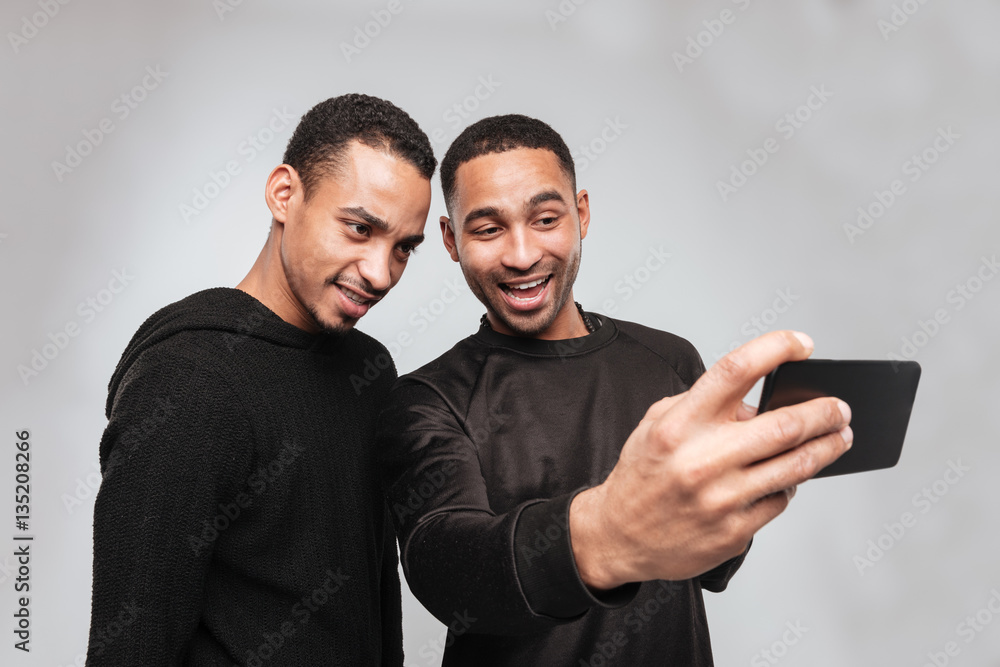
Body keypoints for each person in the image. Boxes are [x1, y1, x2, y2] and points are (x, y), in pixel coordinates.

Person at [377, 115, 853, 665]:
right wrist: (609, 532)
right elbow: (450, 571)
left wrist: (745, 487)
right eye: (487, 229)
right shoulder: (428, 398)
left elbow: (715, 566)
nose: (522, 254)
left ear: (581, 214)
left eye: (546, 219)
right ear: (451, 240)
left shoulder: (670, 360)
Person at [87, 93, 435, 666]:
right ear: (283, 194)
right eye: (358, 228)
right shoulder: (189, 381)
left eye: (402, 248)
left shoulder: (370, 372)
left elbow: (377, 603)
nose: (380, 273)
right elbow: (133, 646)